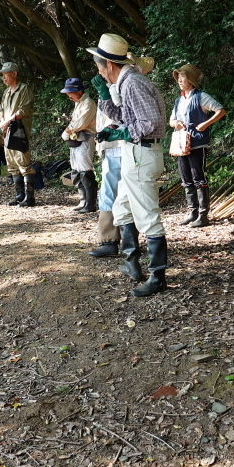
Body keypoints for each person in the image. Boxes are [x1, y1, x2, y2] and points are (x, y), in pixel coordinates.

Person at [91, 33, 168, 298]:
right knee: (121, 208)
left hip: (141, 155)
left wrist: (121, 134)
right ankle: (131, 263)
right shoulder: (126, 83)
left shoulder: (133, 83)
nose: (100, 73)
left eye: (99, 68)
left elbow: (149, 122)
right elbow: (126, 116)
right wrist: (104, 97)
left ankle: (158, 277)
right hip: (134, 154)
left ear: (110, 64)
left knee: (147, 216)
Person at [89, 55, 155, 257]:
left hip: (127, 145)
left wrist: (115, 130)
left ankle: (115, 242)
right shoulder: (120, 85)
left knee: (118, 193)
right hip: (115, 146)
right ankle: (120, 244)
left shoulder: (130, 86)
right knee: (116, 193)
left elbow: (125, 118)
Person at [169, 64, 226, 228]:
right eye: (178, 77)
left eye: (183, 77)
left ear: (191, 80)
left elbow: (220, 110)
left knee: (198, 178)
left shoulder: (201, 97)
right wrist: (176, 123)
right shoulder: (178, 100)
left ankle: (203, 215)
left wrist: (206, 124)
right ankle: (192, 212)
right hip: (181, 144)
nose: (180, 80)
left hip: (198, 143)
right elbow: (171, 120)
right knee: (186, 179)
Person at [0, 62, 36, 207]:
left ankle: (30, 198)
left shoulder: (24, 88)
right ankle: (19, 196)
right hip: (7, 131)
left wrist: (7, 121)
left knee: (24, 163)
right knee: (11, 163)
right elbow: (1, 109)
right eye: (2, 75)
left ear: (14, 74)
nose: (3, 78)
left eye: (5, 74)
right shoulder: (6, 93)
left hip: (20, 131)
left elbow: (24, 110)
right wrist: (2, 122)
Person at [60, 78, 98, 213]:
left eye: (70, 93)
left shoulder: (89, 103)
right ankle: (83, 201)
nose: (69, 96)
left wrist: (67, 131)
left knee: (85, 170)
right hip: (76, 139)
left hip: (86, 138)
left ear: (79, 91)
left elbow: (81, 123)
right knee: (76, 170)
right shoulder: (79, 103)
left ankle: (90, 204)